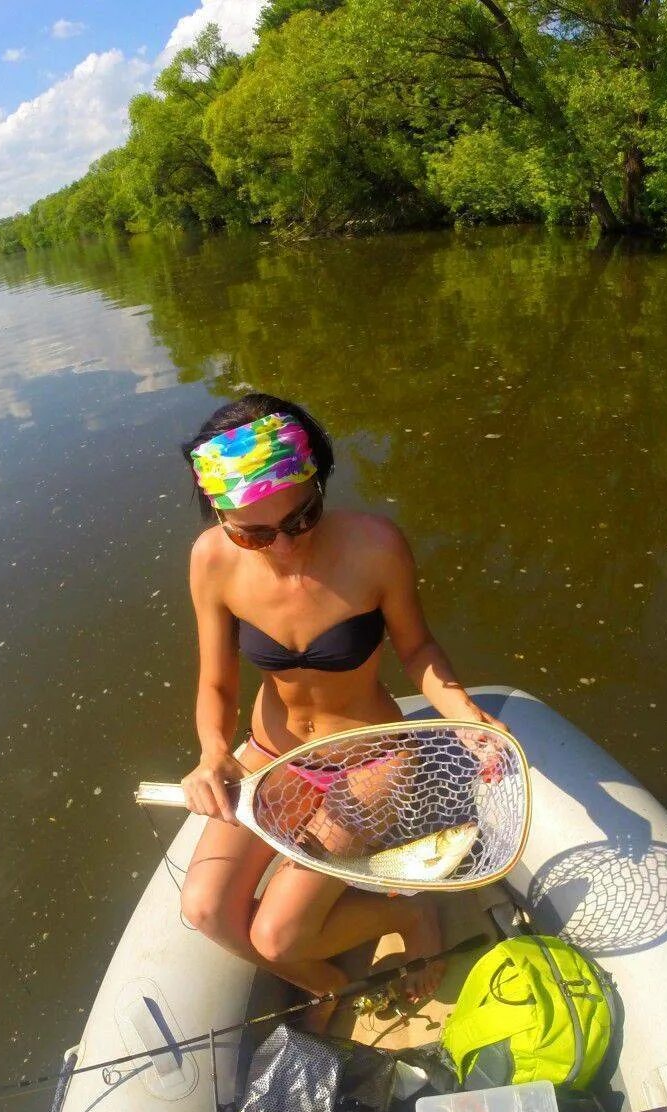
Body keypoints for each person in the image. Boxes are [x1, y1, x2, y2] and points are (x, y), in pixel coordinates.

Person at [177, 392, 501, 1029]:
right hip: (274, 755)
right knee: (205, 911)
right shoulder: (211, 560)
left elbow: (418, 647)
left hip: (371, 759)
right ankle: (325, 983)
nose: (285, 545)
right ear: (220, 515)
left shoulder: (375, 546)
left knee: (275, 935)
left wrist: (466, 713)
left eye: (301, 518)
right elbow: (216, 685)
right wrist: (214, 754)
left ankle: (409, 913)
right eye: (255, 532)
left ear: (317, 483)